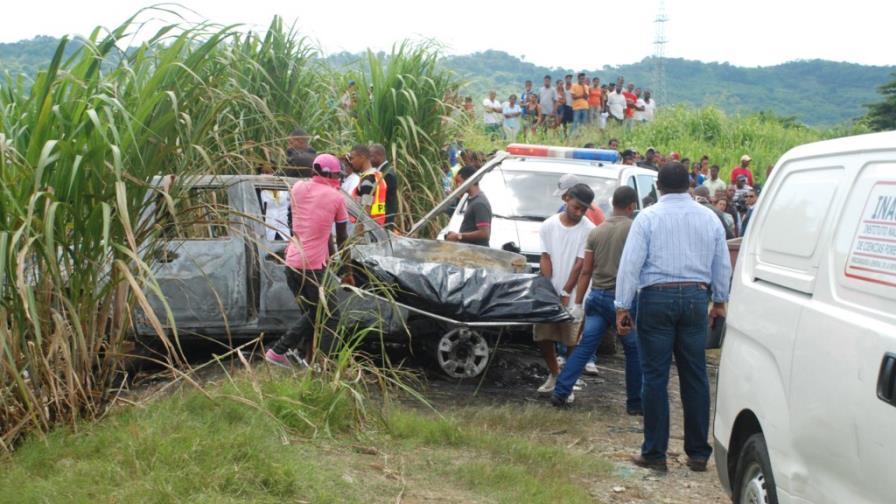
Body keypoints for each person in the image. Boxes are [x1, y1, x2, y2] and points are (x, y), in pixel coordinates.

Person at [614, 162, 732, 473]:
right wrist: (720, 301)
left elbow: (630, 264)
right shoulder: (709, 218)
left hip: (656, 298)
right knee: (695, 375)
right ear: (689, 186)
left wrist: (622, 306)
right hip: (695, 298)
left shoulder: (647, 217)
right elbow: (722, 263)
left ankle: (655, 453)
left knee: (655, 375)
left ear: (659, 188)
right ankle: (698, 453)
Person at [551, 186, 642, 412]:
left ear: (613, 204)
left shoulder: (596, 231)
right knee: (633, 350)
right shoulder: (634, 229)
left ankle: (561, 391)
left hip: (597, 298)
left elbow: (586, 270)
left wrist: (578, 303)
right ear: (632, 206)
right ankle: (635, 403)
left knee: (585, 346)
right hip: (622, 303)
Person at [265, 154, 351, 368]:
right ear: (330, 174)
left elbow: (318, 228)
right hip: (311, 267)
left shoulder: (298, 188)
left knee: (312, 315)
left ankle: (302, 357)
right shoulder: (337, 198)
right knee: (330, 317)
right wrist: (347, 271)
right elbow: (342, 238)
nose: (339, 179)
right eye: (337, 175)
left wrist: (330, 259)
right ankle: (317, 365)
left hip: (292, 263)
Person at [534, 183, 596, 394]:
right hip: (551, 291)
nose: (579, 213)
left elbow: (580, 264)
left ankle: (568, 383)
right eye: (576, 207)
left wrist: (566, 292)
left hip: (576, 293)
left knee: (571, 340)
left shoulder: (589, 230)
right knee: (543, 335)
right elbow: (545, 257)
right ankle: (555, 374)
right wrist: (547, 288)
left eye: (583, 209)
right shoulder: (548, 225)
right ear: (566, 198)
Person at [444, 166, 491, 246]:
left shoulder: (479, 203)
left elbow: (484, 234)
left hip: (476, 252)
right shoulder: (472, 200)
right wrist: (456, 235)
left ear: (469, 180)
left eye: (459, 182)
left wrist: (458, 236)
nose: (458, 186)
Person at [350, 144, 387, 228]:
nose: (351, 162)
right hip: (377, 225)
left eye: (353, 158)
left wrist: (358, 232)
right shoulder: (377, 175)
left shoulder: (368, 180)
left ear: (362, 157)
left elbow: (365, 211)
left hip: (368, 229)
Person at [258, 165, 291, 241]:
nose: (268, 175)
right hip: (267, 232)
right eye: (265, 172)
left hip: (284, 231)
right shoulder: (258, 190)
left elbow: (290, 207)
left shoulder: (284, 189)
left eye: (270, 172)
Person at [370, 144, 398, 228]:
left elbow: (385, 201)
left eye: (371, 156)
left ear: (379, 156)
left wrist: (378, 220)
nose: (369, 159)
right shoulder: (382, 171)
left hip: (384, 221)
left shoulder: (387, 174)